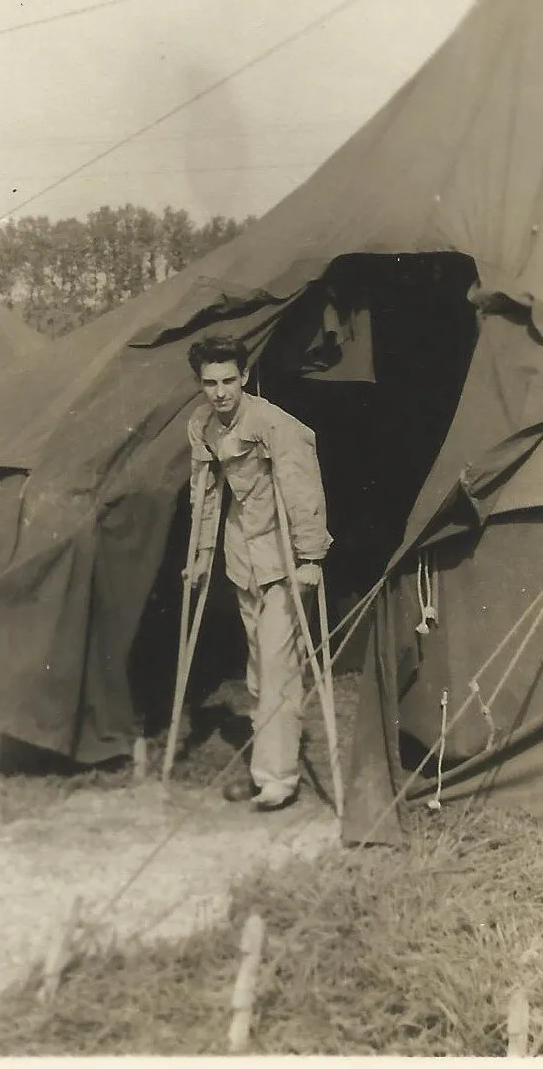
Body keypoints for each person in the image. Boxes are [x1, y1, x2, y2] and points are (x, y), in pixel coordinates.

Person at [186, 334, 332, 810]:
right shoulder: (202, 425)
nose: (220, 391)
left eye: (229, 380)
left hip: (283, 557)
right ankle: (264, 767)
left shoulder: (274, 424)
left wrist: (310, 558)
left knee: (277, 666)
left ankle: (278, 779)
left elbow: (302, 490)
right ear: (201, 385)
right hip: (242, 558)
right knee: (257, 668)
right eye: (210, 383)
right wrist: (201, 553)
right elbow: (206, 494)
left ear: (244, 378)